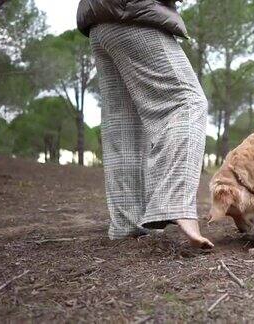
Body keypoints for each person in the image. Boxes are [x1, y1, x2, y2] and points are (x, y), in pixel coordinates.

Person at [77, 0, 213, 248]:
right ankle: (176, 203)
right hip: (133, 11)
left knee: (124, 126)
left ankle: (127, 224)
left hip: (99, 20)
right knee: (187, 103)